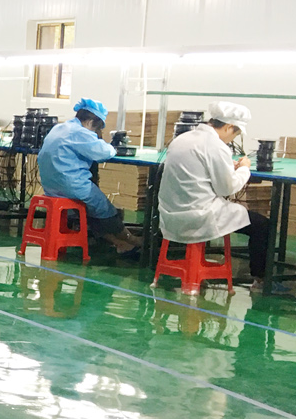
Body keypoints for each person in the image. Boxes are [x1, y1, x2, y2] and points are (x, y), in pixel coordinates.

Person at [159, 101, 275, 289]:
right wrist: (244, 169)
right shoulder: (216, 146)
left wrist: (228, 167)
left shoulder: (182, 139)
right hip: (199, 216)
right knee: (262, 225)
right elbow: (227, 189)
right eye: (235, 134)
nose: (232, 139)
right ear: (228, 127)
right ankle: (260, 279)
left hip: (170, 215)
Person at [37, 97, 138, 255]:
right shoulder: (80, 132)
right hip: (70, 185)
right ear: (91, 122)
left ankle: (118, 243)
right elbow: (104, 152)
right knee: (103, 207)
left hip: (51, 185)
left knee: (90, 207)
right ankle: (130, 239)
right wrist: (113, 147)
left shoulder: (60, 128)